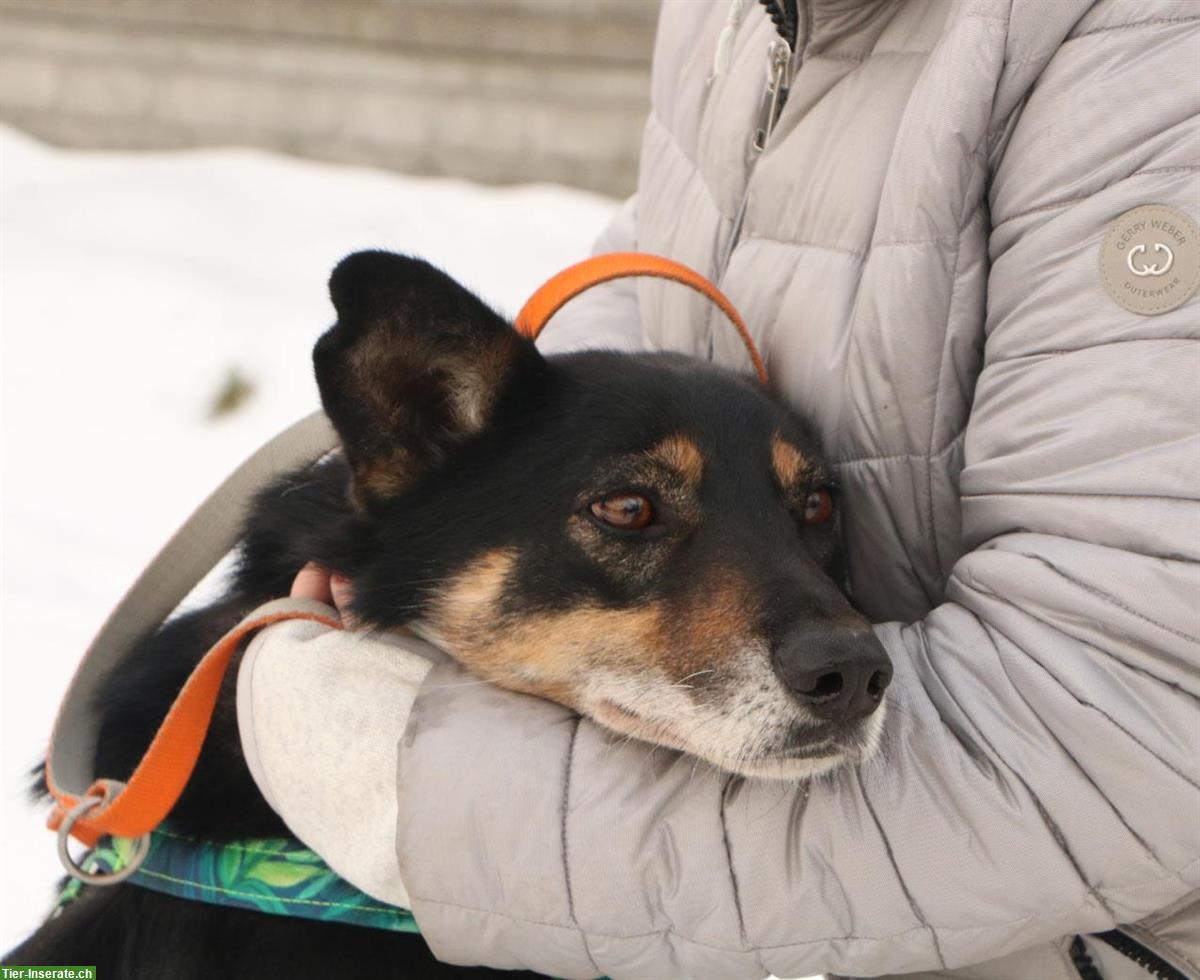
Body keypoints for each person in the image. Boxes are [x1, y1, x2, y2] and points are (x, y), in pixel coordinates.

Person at [235, 2, 1200, 977]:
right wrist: (496, 453)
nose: (850, 668)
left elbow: (1132, 715)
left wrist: (415, 792)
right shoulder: (733, 16)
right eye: (633, 513)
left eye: (810, 508)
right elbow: (661, 257)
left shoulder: (1149, 54)